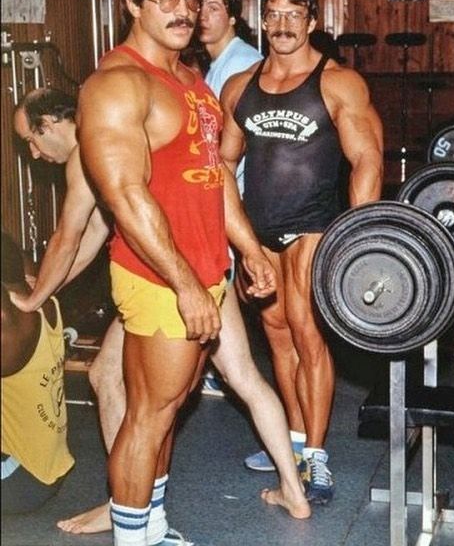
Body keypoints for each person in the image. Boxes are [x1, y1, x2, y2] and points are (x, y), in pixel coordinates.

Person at [12, 85, 310, 538]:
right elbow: (95, 231)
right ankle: (294, 490)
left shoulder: (88, 150)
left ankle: (125, 503)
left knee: (124, 390)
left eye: (32, 141)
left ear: (51, 125)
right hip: (206, 265)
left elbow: (70, 235)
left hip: (168, 280)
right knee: (243, 376)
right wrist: (51, 286)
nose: (33, 154)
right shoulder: (121, 140)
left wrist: (34, 300)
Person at [220, 0, 384, 504]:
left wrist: (358, 238)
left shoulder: (338, 82)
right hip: (261, 232)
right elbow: (222, 163)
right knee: (278, 340)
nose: (284, 25)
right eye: (274, 14)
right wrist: (241, 242)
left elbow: (366, 159)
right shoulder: (239, 86)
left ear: (312, 21)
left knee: (308, 335)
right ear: (262, 20)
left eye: (295, 14)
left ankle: (317, 459)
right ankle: (291, 441)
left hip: (315, 227)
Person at [197, 0, 263, 397]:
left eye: (214, 8)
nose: (203, 16)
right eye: (198, 7)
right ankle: (221, 365)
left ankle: (221, 365)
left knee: (225, 284)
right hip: (222, 193)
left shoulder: (241, 64)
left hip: (237, 194)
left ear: (234, 16)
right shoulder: (215, 65)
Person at [1, 230, 75, 514]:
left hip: (18, 479)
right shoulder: (41, 296)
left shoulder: (9, 329)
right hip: (48, 468)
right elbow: (15, 252)